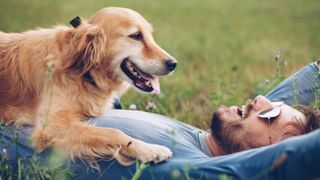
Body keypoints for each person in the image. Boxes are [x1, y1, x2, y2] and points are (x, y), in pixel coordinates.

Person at [1, 62, 320, 180]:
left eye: (271, 115)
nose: (260, 101)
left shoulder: (196, 170)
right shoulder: (203, 139)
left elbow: (300, 153)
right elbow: (305, 82)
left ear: (267, 158)